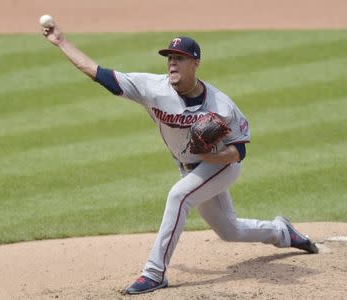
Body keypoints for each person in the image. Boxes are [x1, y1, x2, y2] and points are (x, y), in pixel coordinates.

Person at [42, 23, 318, 295]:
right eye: (170, 59)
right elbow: (98, 73)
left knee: (178, 197)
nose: (172, 64)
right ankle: (282, 232)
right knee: (229, 230)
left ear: (195, 63)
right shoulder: (152, 88)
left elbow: (240, 150)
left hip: (222, 166)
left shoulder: (221, 105)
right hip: (190, 169)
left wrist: (212, 155)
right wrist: (61, 42)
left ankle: (154, 273)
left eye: (179, 59)